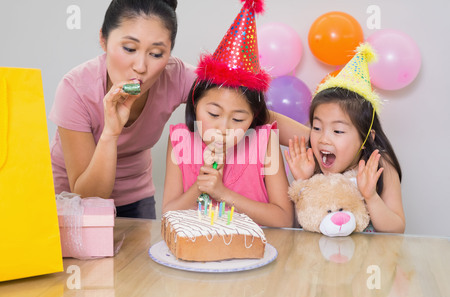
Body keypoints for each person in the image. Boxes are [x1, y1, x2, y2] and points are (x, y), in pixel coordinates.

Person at [49, 0, 308, 219]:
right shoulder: (76, 90)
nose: (140, 66)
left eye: (156, 53)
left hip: (137, 198)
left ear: (170, 53)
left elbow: (240, 106)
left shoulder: (175, 76)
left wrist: (320, 138)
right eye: (129, 48)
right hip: (72, 202)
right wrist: (110, 133)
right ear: (103, 40)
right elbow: (87, 196)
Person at [162, 0, 294, 227]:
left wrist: (222, 193)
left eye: (238, 119)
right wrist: (200, 187)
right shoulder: (180, 142)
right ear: (195, 104)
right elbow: (168, 214)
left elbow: (283, 219)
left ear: (253, 118)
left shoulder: (264, 143)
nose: (223, 128)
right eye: (213, 114)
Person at [285, 44, 405, 233]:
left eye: (338, 131)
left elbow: (397, 229)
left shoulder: (380, 165)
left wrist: (371, 196)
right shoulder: (311, 165)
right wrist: (304, 182)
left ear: (366, 137)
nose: (323, 139)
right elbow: (304, 228)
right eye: (316, 127)